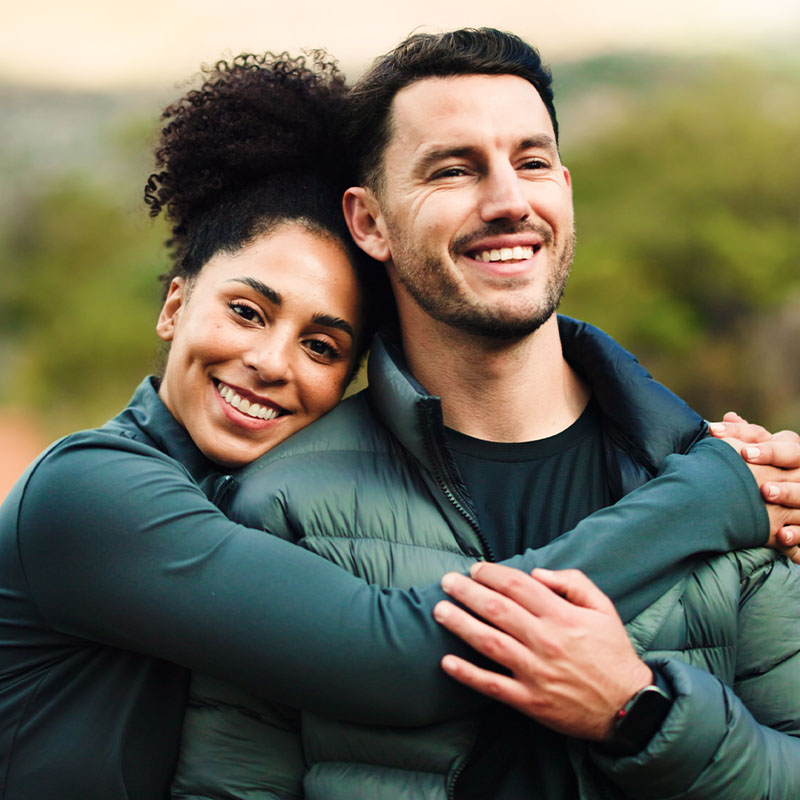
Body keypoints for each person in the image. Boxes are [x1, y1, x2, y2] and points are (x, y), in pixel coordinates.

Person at [197, 28, 800, 800]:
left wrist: (642, 716)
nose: (509, 200)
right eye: (454, 169)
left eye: (532, 162)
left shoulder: (742, 483)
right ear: (370, 222)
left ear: (564, 188)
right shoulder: (282, 507)